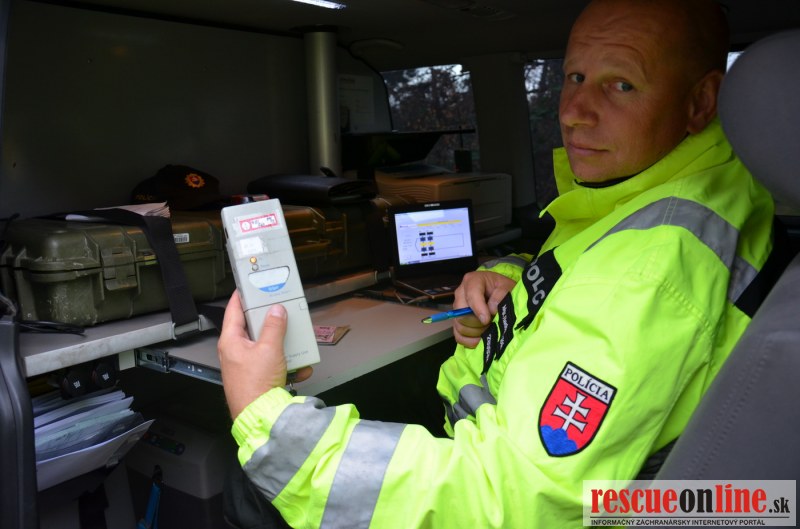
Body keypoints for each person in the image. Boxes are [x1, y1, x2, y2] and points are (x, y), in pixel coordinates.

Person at [217, 0, 778, 526]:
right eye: (575, 76)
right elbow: (577, 270)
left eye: (622, 84)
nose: (573, 113)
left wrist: (269, 420)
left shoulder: (647, 268)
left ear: (701, 102)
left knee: (254, 478)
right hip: (484, 420)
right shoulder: (663, 196)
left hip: (494, 482)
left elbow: (515, 495)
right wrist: (507, 279)